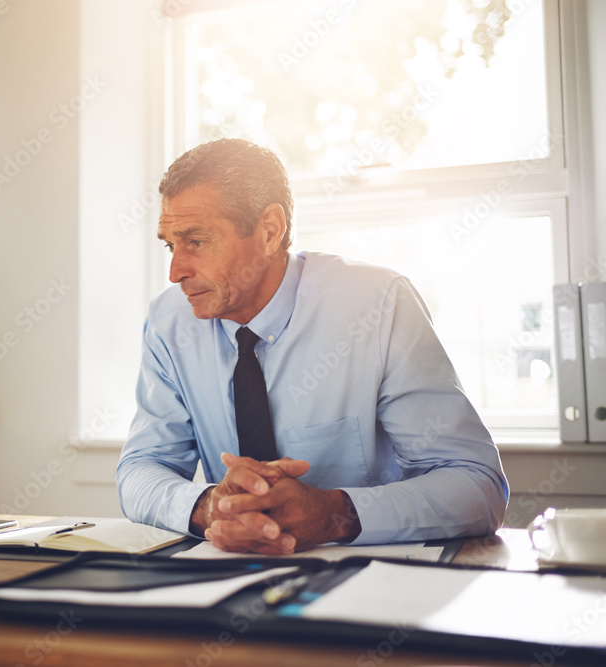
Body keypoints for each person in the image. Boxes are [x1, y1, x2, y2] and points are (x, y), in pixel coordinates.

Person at [116, 138, 508, 555]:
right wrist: (209, 506)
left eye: (195, 241)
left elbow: (476, 484)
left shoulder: (377, 305)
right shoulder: (169, 322)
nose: (175, 271)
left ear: (269, 231)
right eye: (169, 245)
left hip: (372, 584)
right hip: (230, 583)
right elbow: (140, 470)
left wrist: (335, 514)